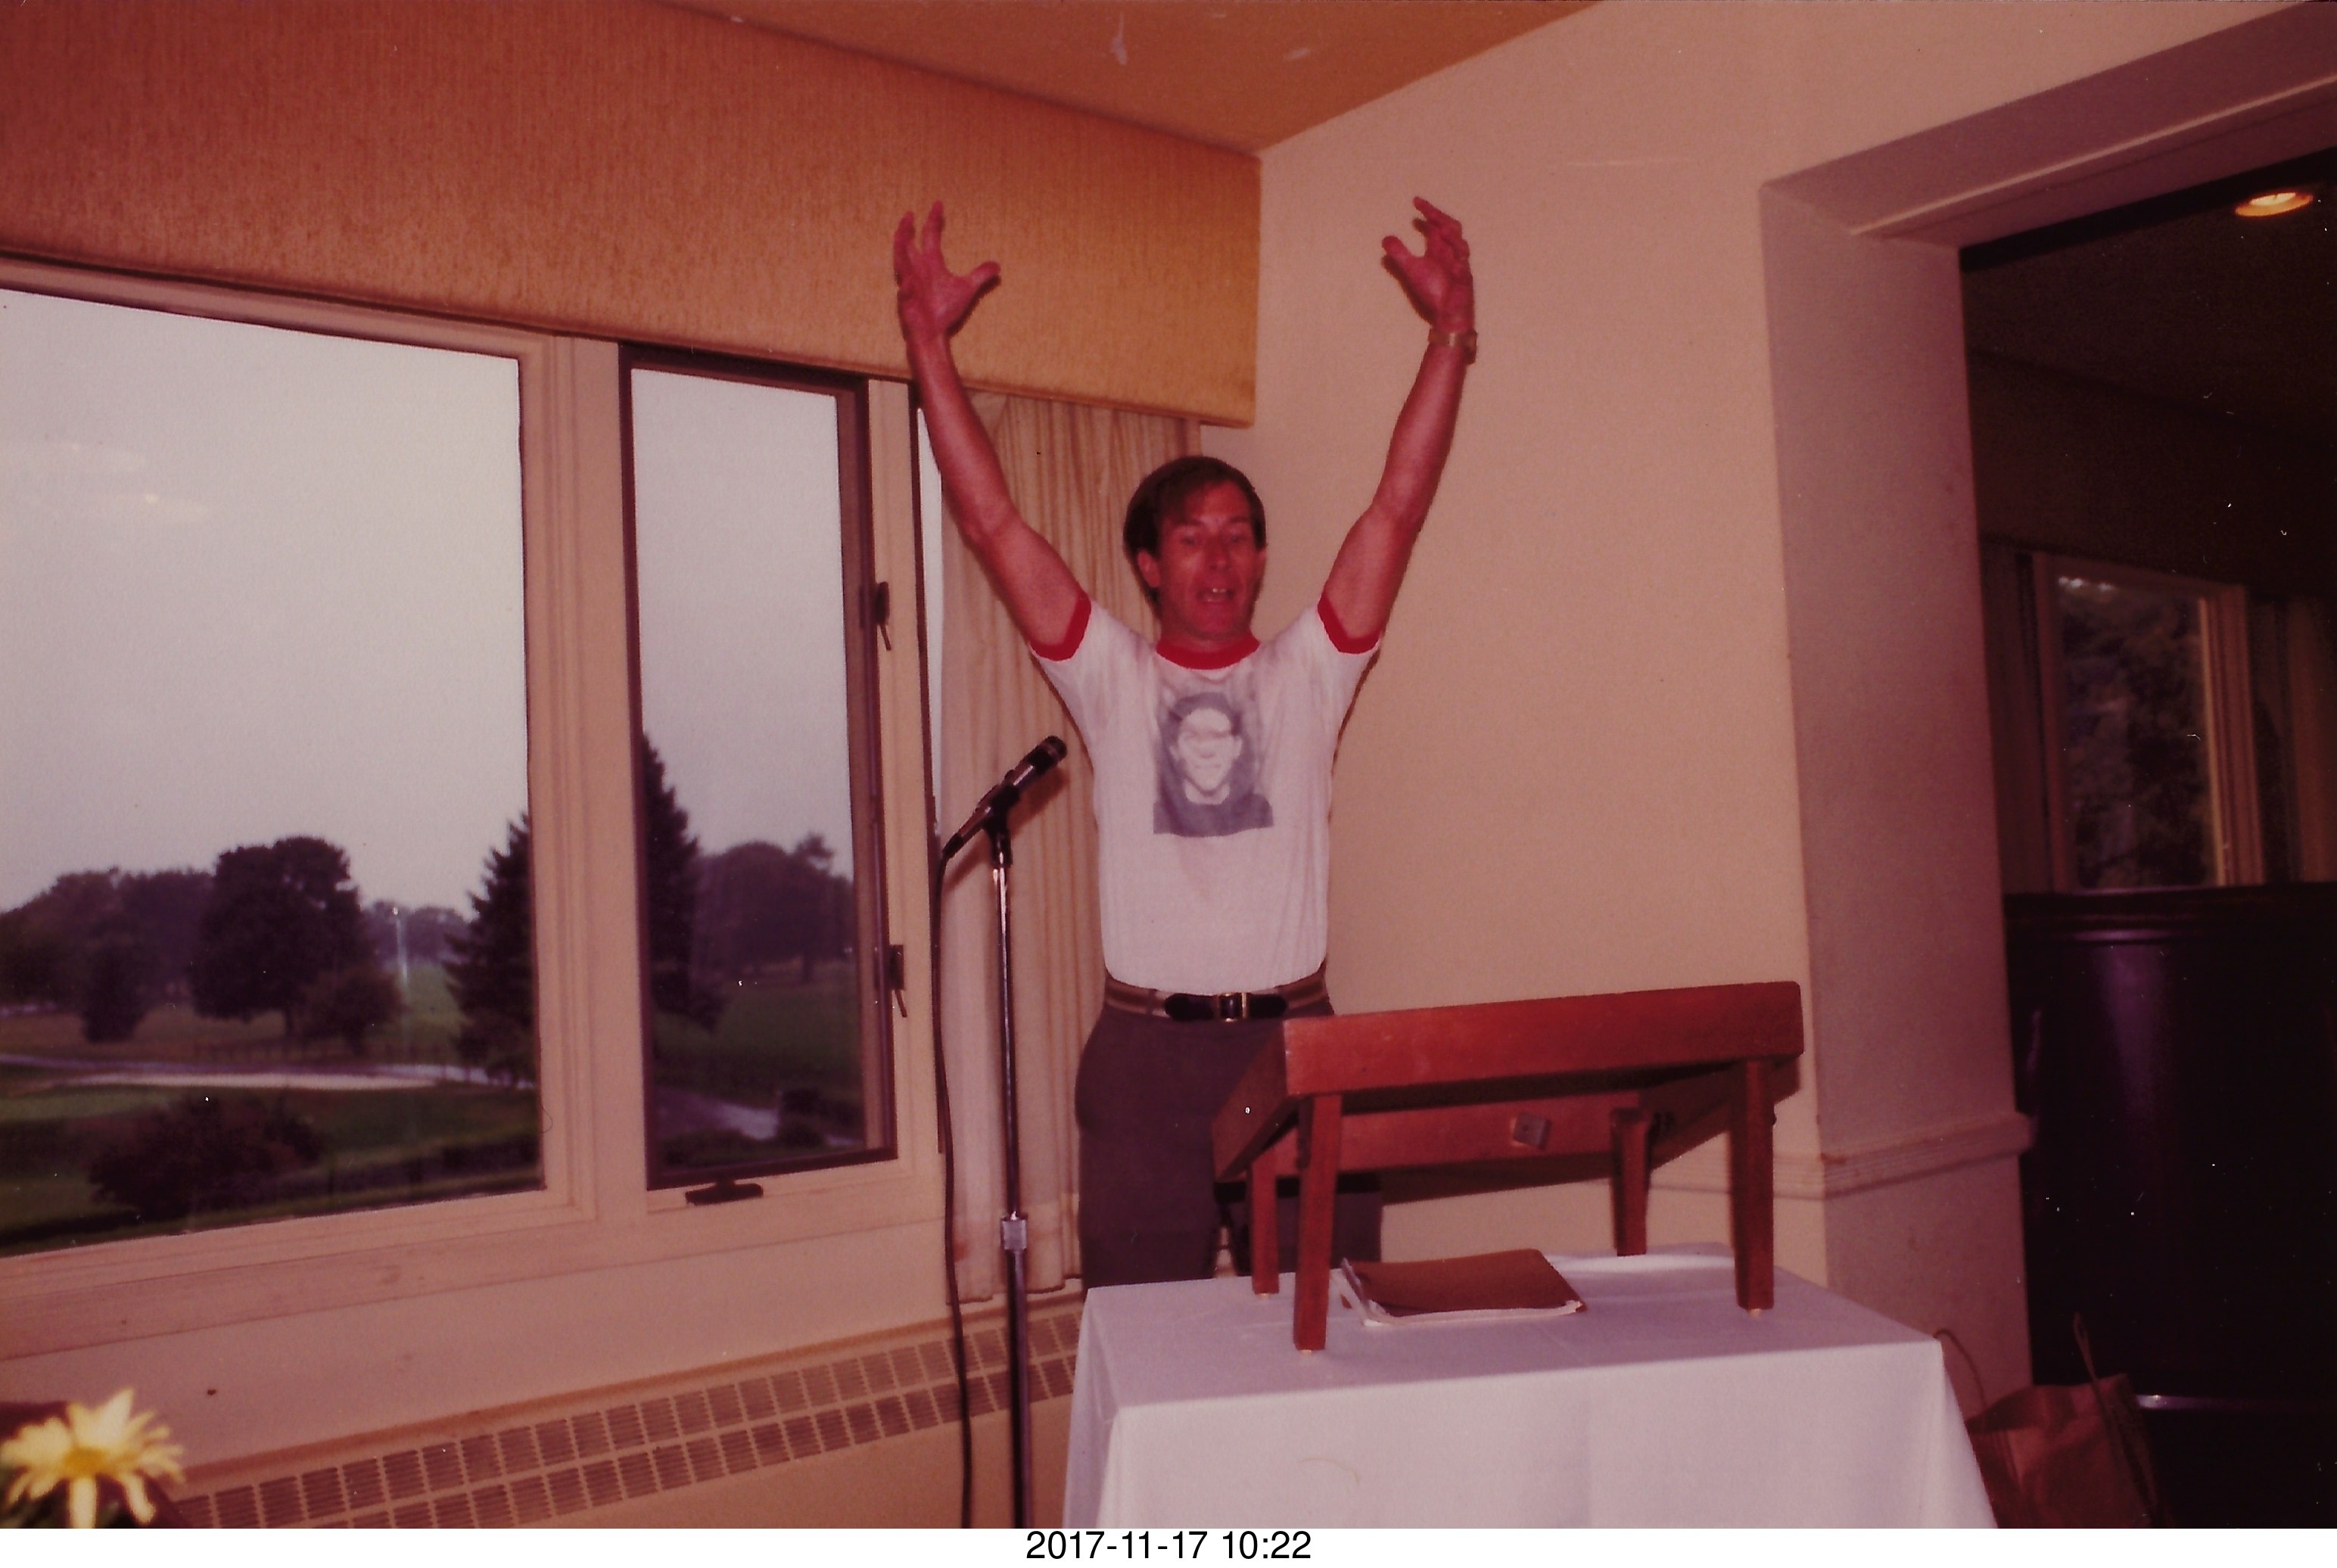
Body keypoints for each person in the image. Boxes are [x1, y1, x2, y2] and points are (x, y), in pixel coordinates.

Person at [894, 197, 1474, 1287]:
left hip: (1296, 1047)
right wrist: (928, 345)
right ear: (1150, 566)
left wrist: (1450, 334)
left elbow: (1397, 507)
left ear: (1261, 561)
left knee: (1329, 1329)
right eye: (1194, 539)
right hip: (1144, 1061)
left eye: (1240, 538)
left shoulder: (1309, 672)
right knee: (1148, 1337)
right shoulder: (1111, 677)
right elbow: (991, 524)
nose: (1220, 560)